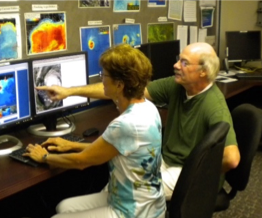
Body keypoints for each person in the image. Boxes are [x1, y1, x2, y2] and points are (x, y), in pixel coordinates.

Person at [36, 42, 241, 200]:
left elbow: (232, 159)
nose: (176, 65)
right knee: (115, 187)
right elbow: (125, 89)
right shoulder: (178, 86)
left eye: (184, 63)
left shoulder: (214, 105)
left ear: (203, 71)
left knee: (126, 194)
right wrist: (69, 91)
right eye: (179, 59)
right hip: (165, 162)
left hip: (185, 173)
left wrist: (193, 172)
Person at [23, 44, 166, 218]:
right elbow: (116, 150)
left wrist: (44, 157)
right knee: (64, 207)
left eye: (104, 75)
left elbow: (82, 163)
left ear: (119, 85)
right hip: (147, 205)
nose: (101, 79)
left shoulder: (125, 124)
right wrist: (70, 145)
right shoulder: (148, 108)